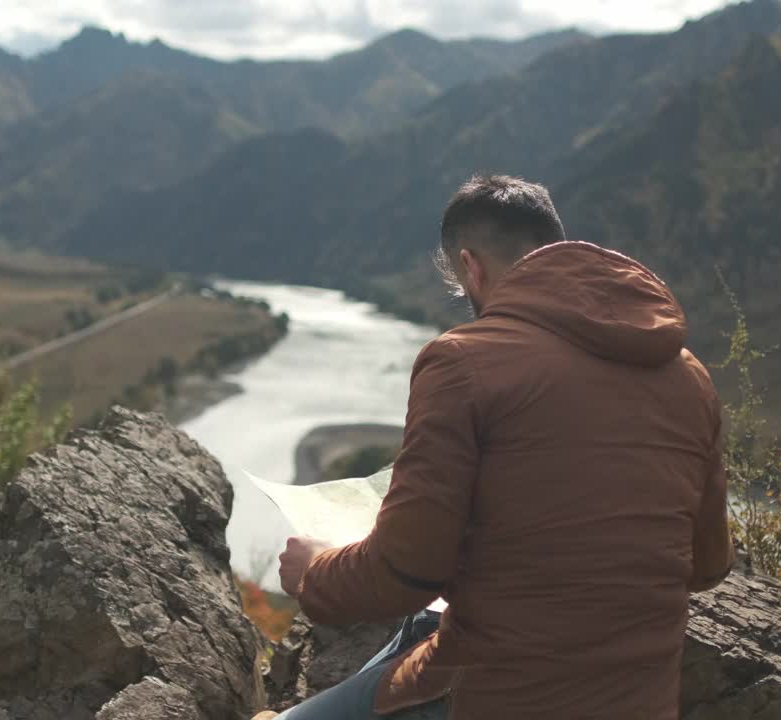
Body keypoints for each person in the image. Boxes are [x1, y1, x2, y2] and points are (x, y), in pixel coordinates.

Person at [254, 175, 733, 720]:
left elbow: (404, 574)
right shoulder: (690, 376)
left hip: (496, 697)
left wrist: (316, 572)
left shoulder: (461, 363)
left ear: (472, 267)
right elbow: (707, 563)